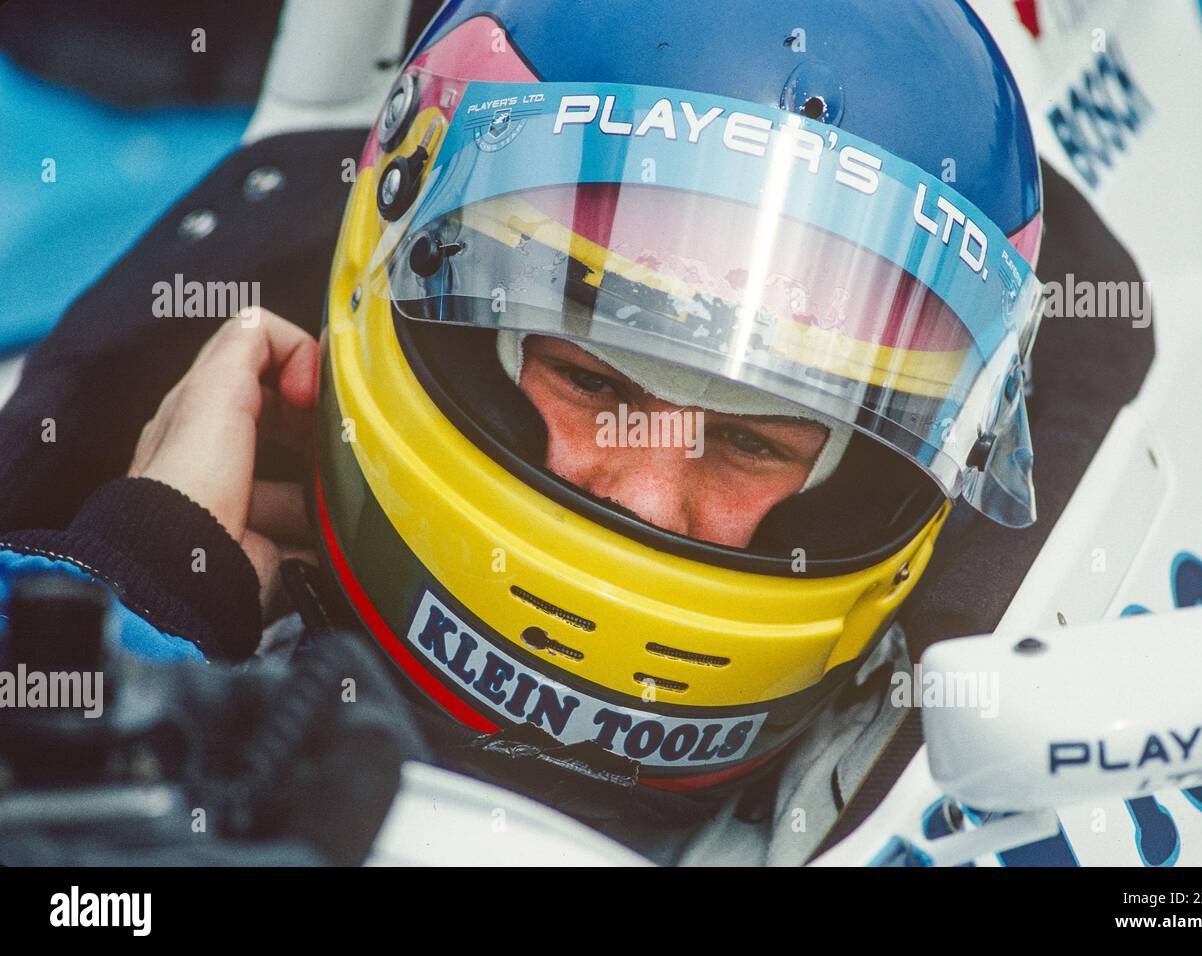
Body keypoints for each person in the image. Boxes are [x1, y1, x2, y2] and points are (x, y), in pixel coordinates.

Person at [0, 0, 1046, 846]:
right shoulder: (132, 585)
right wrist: (133, 599)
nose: (643, 490)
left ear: (867, 474)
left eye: (753, 439)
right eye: (594, 382)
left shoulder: (957, 774)